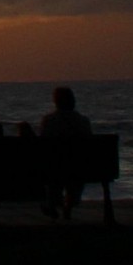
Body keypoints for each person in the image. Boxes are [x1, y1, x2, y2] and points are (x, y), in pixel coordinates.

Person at [38, 86, 93, 219]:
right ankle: (68, 206)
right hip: (80, 167)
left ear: (56, 102)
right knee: (74, 171)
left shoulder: (49, 121)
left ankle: (52, 204)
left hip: (55, 167)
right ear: (73, 101)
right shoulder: (83, 121)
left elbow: (43, 144)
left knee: (53, 170)